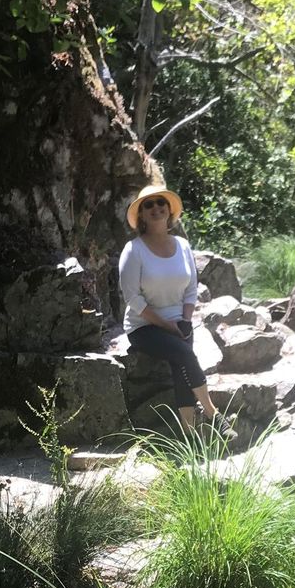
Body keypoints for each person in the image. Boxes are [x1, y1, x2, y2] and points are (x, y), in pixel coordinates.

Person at [119, 184, 232, 437]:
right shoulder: (134, 250)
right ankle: (214, 414)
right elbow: (132, 298)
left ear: (169, 210)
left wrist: (186, 320)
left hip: (180, 321)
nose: (156, 208)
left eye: (160, 203)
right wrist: (168, 326)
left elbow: (191, 289)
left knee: (181, 367)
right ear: (141, 215)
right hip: (145, 326)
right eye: (148, 205)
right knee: (184, 355)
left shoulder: (182, 245)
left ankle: (190, 437)